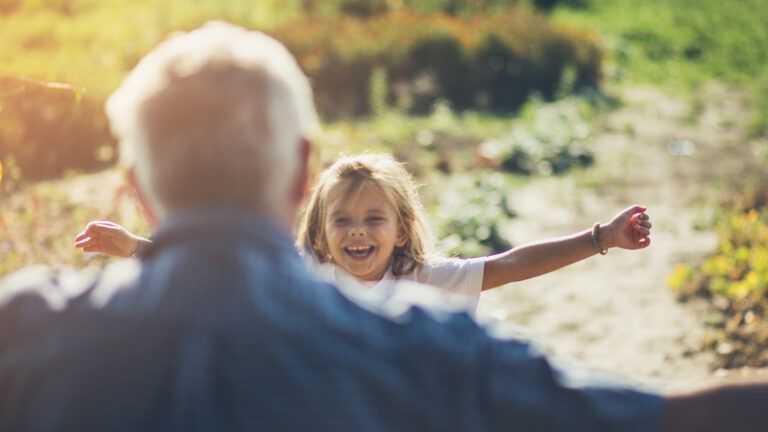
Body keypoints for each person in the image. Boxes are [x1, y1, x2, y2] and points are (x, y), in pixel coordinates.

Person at [1, 20, 766, 432]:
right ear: (303, 178)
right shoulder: (431, 349)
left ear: (136, 191)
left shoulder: (25, 335)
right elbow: (669, 418)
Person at [75, 152, 652, 311]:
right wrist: (134, 247)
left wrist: (600, 237)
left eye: (374, 219)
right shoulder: (302, 276)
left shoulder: (425, 278)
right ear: (320, 234)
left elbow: (508, 265)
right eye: (342, 220)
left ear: (401, 230)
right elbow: (219, 271)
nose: (358, 232)